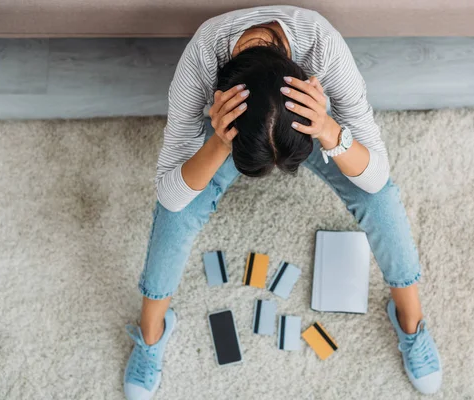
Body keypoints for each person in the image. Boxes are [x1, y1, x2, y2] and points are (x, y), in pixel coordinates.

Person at [123, 5, 442, 399]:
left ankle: (410, 320)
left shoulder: (323, 47)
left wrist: (327, 128)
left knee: (379, 198)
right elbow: (170, 198)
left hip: (308, 125)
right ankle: (151, 331)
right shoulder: (203, 57)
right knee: (178, 213)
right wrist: (221, 141)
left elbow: (376, 177)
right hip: (233, 133)